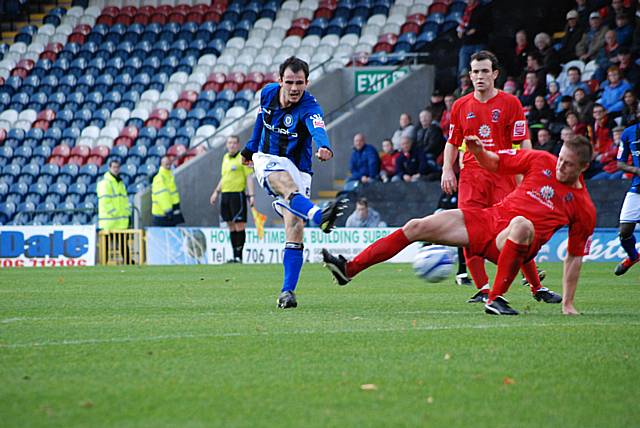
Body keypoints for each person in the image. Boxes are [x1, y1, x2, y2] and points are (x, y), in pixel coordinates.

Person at [322, 136, 596, 316]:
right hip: (488, 219)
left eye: (568, 164)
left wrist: (568, 302)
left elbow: (573, 256)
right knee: (417, 226)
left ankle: (495, 298)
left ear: (583, 167)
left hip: (514, 242)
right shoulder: (541, 160)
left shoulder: (583, 207)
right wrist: (478, 151)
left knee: (521, 225)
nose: (560, 166)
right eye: (560, 158)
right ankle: (349, 269)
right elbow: (497, 162)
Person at [240, 56, 347, 309]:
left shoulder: (310, 107)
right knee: (285, 184)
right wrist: (250, 149)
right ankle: (319, 216)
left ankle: (287, 291)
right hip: (268, 157)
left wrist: (324, 146)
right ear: (279, 81)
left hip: (300, 166)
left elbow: (318, 128)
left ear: (307, 83)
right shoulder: (267, 94)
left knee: (295, 226)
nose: (295, 87)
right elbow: (261, 121)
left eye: (300, 82)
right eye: (289, 82)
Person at [440, 50, 545, 304]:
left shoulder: (511, 103)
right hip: (471, 177)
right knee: (468, 230)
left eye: (485, 71)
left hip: (503, 173)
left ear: (495, 74)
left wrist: (527, 173)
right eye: (475, 72)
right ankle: (483, 287)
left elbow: (523, 141)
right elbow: (452, 142)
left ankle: (536, 287)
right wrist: (446, 169)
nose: (479, 76)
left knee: (516, 226)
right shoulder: (461, 105)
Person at [210, 135, 256, 263]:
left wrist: (251, 195)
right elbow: (224, 177)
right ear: (226, 145)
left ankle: (239, 256)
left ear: (238, 145)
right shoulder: (225, 158)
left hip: (237, 195)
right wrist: (216, 192)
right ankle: (233, 254)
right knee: (230, 225)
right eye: (229, 143)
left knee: (239, 225)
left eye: (234, 143)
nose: (231, 145)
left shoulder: (243, 158)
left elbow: (249, 178)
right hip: (225, 195)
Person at [614, 117, 640, 275]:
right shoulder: (629, 133)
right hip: (637, 188)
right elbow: (620, 163)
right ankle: (633, 256)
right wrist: (637, 171)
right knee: (624, 231)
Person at [97, 159, 132, 263]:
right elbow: (105, 201)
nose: (116, 169)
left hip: (119, 221)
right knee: (107, 245)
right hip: (109, 221)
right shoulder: (105, 183)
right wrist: (114, 213)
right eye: (114, 167)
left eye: (117, 167)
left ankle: (128, 262)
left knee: (123, 244)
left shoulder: (120, 183)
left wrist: (127, 214)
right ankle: (104, 263)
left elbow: (124, 201)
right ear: (109, 168)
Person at [151, 156, 184, 227]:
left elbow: (173, 195)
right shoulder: (159, 178)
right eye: (166, 164)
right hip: (162, 215)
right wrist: (168, 211)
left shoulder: (169, 176)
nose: (168, 166)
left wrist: (176, 209)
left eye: (169, 164)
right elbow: (162, 196)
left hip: (170, 213)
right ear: (161, 165)